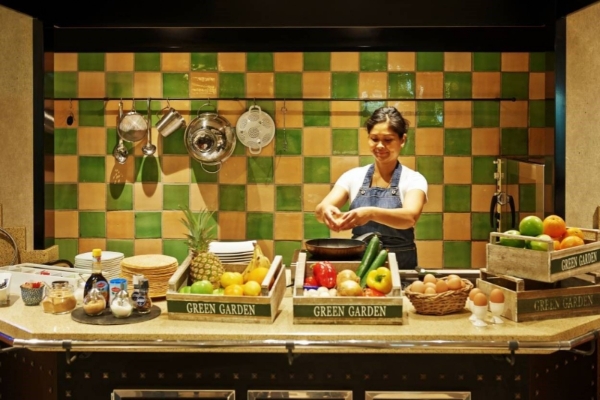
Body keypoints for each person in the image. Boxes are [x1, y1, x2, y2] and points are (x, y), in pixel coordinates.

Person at [315, 106, 428, 270]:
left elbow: (409, 218)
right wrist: (325, 211)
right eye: (374, 139)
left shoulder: (413, 179)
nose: (380, 146)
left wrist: (370, 213)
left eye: (388, 140)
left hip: (401, 270)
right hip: (359, 268)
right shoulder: (353, 176)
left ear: (402, 140)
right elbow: (320, 212)